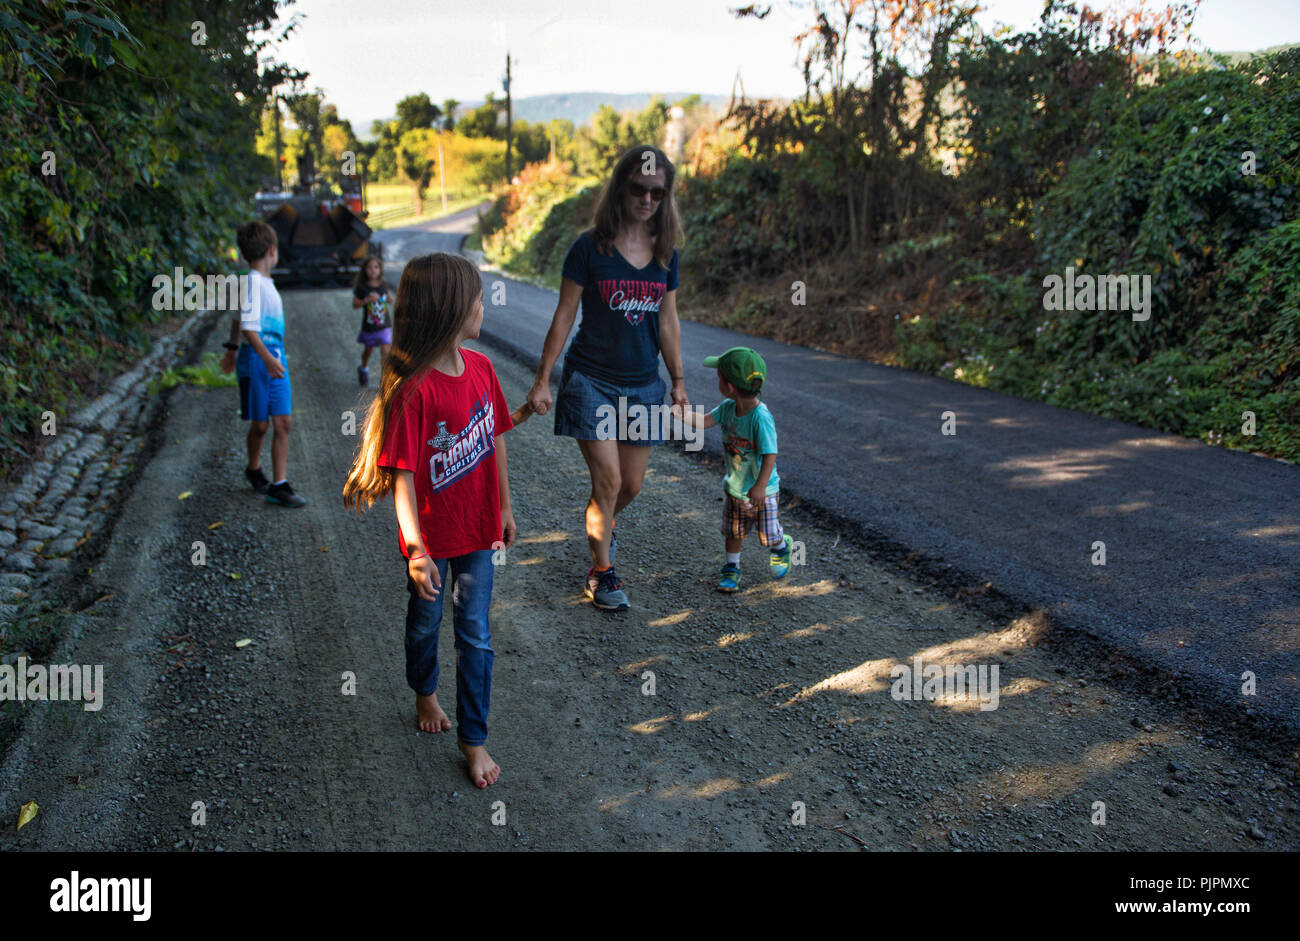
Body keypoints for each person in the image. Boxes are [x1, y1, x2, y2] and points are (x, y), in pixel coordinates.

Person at [342, 252, 516, 789]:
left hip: (478, 531)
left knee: (476, 635)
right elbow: (404, 478)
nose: (484, 306)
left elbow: (496, 441)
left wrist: (505, 506)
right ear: (449, 308)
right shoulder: (414, 390)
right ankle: (424, 690)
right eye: (477, 298)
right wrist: (415, 548)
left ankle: (474, 739)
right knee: (423, 624)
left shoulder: (484, 370)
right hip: (431, 540)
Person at [526, 145, 689, 612]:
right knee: (610, 480)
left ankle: (601, 524)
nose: (647, 199)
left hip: (643, 384)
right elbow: (564, 315)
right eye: (638, 189)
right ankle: (602, 572)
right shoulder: (589, 247)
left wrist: (677, 381)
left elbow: (668, 322)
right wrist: (542, 380)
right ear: (621, 187)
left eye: (658, 192)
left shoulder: (664, 252)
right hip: (590, 380)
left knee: (630, 486)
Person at [675, 347, 793, 592]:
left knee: (767, 534)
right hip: (736, 487)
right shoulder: (728, 407)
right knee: (734, 530)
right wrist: (682, 414)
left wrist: (760, 486)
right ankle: (731, 567)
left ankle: (782, 546)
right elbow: (705, 421)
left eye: (718, 377)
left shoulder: (760, 417)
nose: (716, 381)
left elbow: (770, 453)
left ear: (729, 385)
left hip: (764, 490)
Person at [234, 220, 306, 507]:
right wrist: (267, 360)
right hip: (260, 358)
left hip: (274, 356)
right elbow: (248, 328)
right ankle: (254, 469)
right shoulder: (252, 282)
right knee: (261, 425)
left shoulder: (265, 284)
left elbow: (236, 318)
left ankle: (280, 483)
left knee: (283, 422)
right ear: (272, 250)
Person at [351, 254, 393, 387]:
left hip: (384, 325)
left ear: (380, 269)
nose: (373, 270)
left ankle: (384, 379)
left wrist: (388, 299)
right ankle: (363, 368)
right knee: (368, 351)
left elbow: (390, 299)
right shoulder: (362, 288)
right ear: (364, 270)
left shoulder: (383, 285)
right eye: (369, 267)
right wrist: (367, 300)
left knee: (385, 350)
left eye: (376, 267)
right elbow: (355, 305)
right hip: (370, 326)